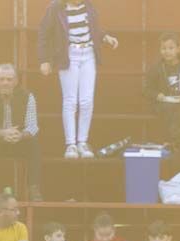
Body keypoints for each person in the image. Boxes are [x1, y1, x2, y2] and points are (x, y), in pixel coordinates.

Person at [37, 0, 120, 159]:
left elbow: (92, 29)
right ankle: (71, 144)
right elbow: (43, 33)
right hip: (69, 56)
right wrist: (44, 60)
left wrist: (105, 37)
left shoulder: (88, 6)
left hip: (88, 55)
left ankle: (82, 141)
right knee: (70, 101)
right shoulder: (55, 8)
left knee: (87, 101)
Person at [0, 63, 43, 203]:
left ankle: (34, 188)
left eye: (9, 79)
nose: (5, 83)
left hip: (19, 140)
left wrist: (20, 135)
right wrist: (3, 133)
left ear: (16, 81)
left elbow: (32, 126)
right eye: (1, 79)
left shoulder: (28, 97)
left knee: (34, 144)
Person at [143, 31, 180, 139]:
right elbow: (146, 89)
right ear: (160, 50)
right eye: (164, 48)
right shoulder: (156, 68)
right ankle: (171, 140)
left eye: (171, 48)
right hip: (163, 104)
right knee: (170, 110)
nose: (167, 51)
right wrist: (157, 95)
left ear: (178, 49)